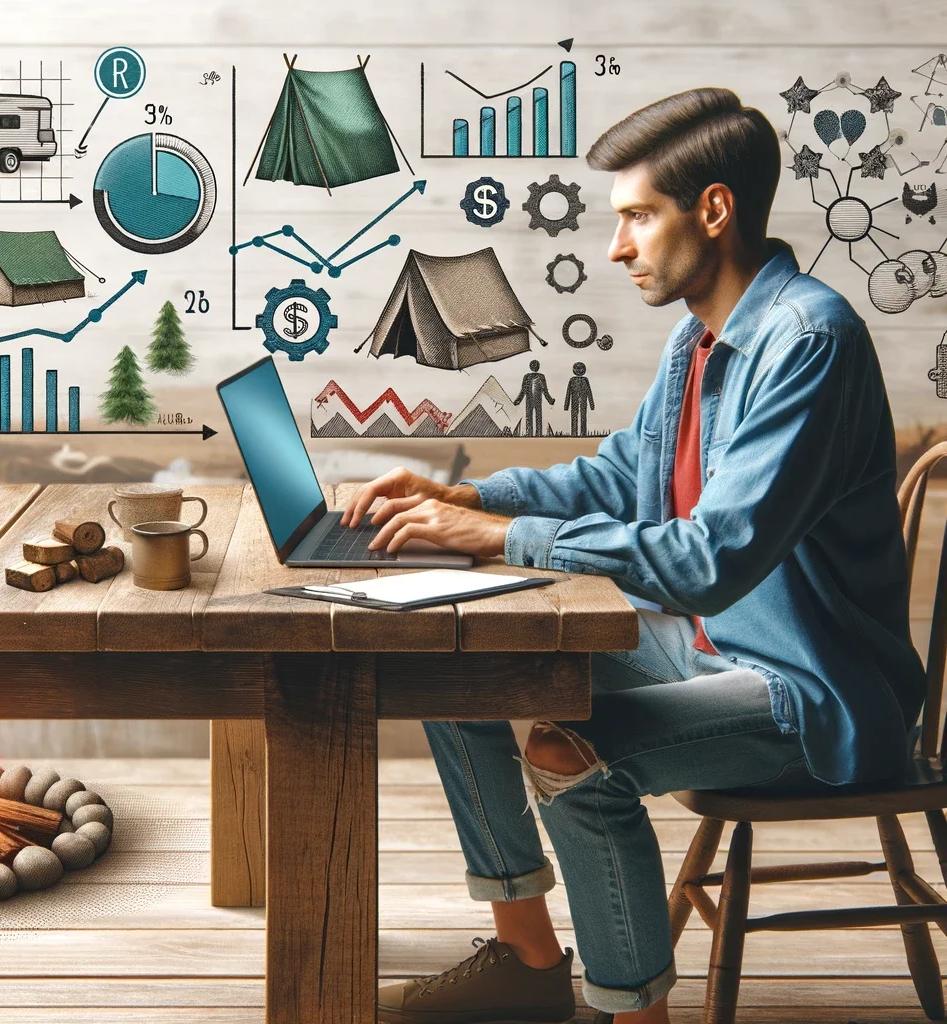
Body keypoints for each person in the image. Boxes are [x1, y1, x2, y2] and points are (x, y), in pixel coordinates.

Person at [342, 87, 927, 1024]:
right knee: (452, 663)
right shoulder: (698, 340)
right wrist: (471, 495)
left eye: (638, 217)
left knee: (572, 755)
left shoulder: (812, 343)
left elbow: (708, 561)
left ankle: (633, 1014)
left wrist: (499, 538)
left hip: (808, 690)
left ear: (714, 210)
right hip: (705, 645)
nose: (618, 248)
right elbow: (622, 474)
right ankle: (530, 965)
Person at [514, 359, 555, 436]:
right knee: (538, 417)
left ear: (530, 367)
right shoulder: (541, 376)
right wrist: (550, 401)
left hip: (529, 400)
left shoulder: (527, 376)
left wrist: (518, 400)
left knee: (529, 417)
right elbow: (544, 390)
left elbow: (523, 390)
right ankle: (538, 434)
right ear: (538, 367)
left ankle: (530, 434)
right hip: (537, 400)